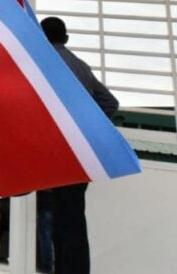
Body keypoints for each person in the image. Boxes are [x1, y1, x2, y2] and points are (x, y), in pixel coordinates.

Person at [41, 16, 119, 274]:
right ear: (65, 38)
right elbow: (110, 103)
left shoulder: (41, 64)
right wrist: (88, 129)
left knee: (57, 219)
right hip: (79, 154)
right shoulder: (81, 66)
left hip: (54, 150)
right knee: (73, 218)